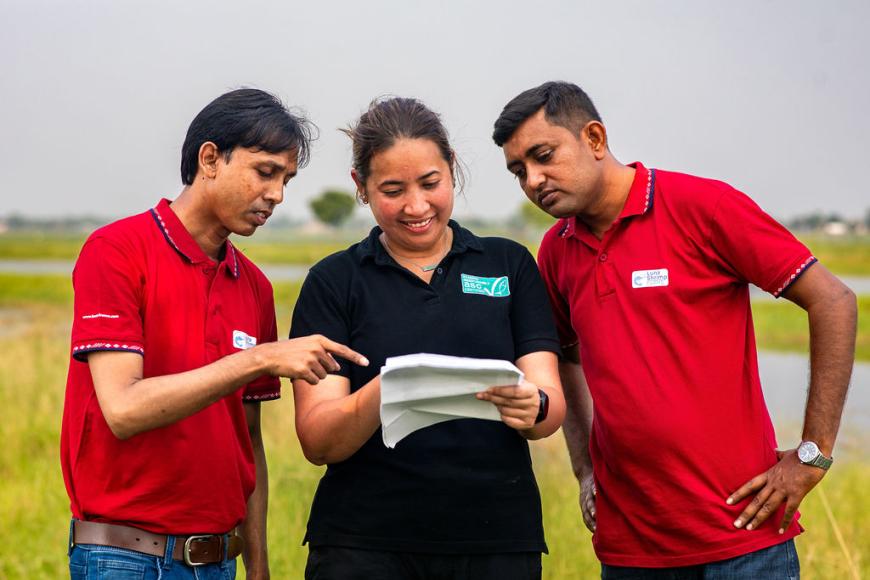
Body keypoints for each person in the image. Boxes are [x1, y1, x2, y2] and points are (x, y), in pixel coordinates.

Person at [491, 81, 857, 578]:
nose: (534, 180)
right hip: (631, 549)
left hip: (743, 537)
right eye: (519, 171)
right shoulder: (556, 250)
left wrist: (812, 455)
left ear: (594, 139)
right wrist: (583, 469)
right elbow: (564, 358)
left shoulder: (702, 206)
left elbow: (833, 300)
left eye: (543, 155)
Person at [60, 88, 368, 580]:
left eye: (286, 179)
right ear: (210, 159)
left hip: (220, 560)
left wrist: (258, 568)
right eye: (265, 171)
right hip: (123, 558)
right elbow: (123, 409)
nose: (277, 195)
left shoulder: (255, 287)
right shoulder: (116, 251)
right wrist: (259, 359)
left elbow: (248, 443)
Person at [288, 97, 566, 580]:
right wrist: (389, 387)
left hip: (496, 542)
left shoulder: (508, 264)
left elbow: (550, 407)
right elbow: (318, 442)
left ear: (451, 168)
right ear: (361, 187)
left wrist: (534, 406)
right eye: (392, 190)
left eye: (430, 184)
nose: (416, 207)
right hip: (362, 546)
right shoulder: (334, 282)